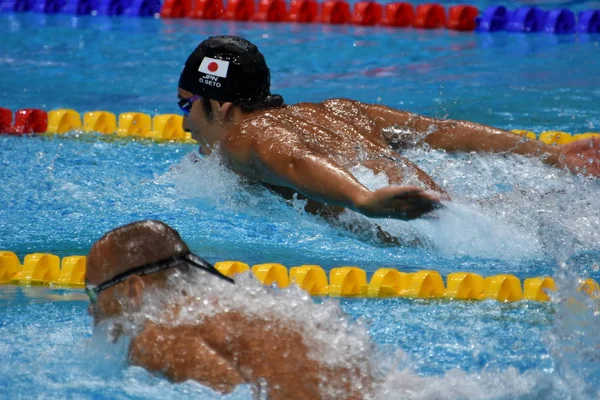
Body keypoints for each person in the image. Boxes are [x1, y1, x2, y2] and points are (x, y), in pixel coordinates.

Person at [178, 35, 600, 223]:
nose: (184, 124)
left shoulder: (242, 138)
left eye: (187, 105)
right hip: (460, 217)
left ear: (222, 107)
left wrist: (364, 200)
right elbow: (436, 131)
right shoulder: (337, 109)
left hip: (404, 224)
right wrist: (549, 154)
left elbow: (293, 158)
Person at [85, 220, 376, 399]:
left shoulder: (160, 337)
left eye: (93, 292)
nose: (90, 309)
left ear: (133, 290)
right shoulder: (244, 305)